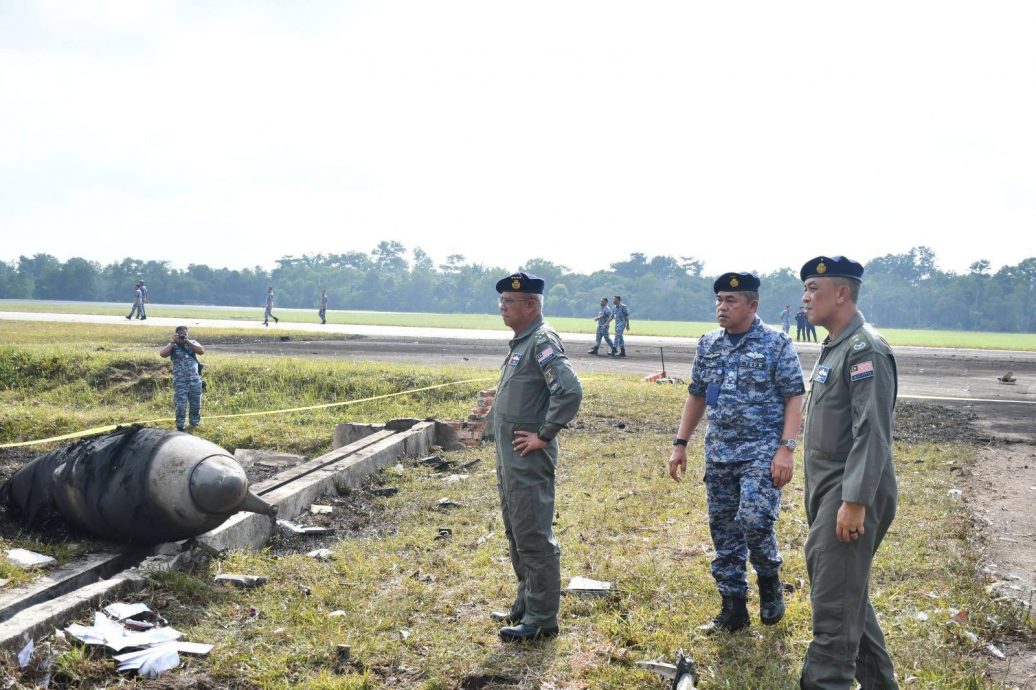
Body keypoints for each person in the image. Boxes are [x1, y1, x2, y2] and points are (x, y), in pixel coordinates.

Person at [668, 272, 804, 633]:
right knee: (724, 530)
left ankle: (769, 578)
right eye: (719, 301)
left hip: (762, 450)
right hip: (720, 452)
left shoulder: (776, 343)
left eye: (731, 301)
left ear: (753, 305)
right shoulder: (709, 343)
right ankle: (733, 609)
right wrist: (681, 444)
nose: (722, 307)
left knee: (755, 519)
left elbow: (794, 395)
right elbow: (697, 394)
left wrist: (786, 449)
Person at [798, 255, 899, 689]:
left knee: (834, 608)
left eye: (813, 290)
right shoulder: (837, 346)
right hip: (830, 491)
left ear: (842, 294)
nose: (804, 298)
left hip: (850, 492)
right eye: (804, 289)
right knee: (844, 595)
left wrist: (854, 502)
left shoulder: (865, 350)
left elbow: (872, 433)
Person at [491, 271, 583, 642]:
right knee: (517, 531)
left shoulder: (542, 341)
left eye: (510, 302)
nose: (502, 308)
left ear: (531, 305)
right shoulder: (522, 342)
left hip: (528, 458)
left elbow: (570, 392)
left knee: (533, 535)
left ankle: (542, 619)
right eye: (501, 302)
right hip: (510, 458)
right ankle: (525, 605)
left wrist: (544, 435)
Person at [160, 326, 205, 432]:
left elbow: (201, 351)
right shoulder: (173, 346)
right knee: (180, 405)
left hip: (194, 380)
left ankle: (194, 423)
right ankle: (180, 425)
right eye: (180, 334)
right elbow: (162, 354)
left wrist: (188, 342)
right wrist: (173, 342)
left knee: (195, 404)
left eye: (184, 334)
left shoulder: (192, 342)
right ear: (176, 334)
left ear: (187, 334)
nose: (182, 336)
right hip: (180, 381)